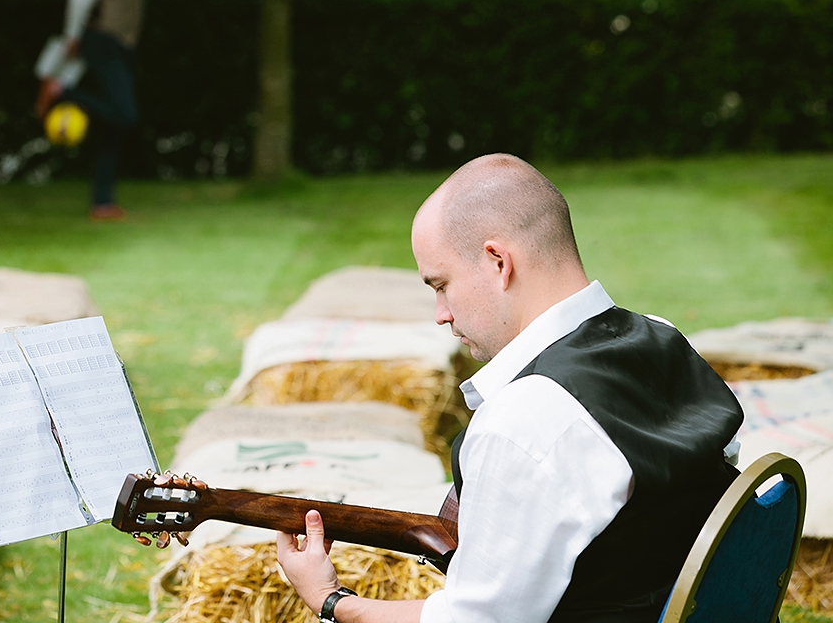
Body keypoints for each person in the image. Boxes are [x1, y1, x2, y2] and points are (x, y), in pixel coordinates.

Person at [276, 153, 744, 623]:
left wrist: (331, 600)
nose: (440, 312)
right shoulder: (661, 336)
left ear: (498, 262)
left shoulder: (522, 420)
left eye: (441, 284)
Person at [37, 0, 166, 221]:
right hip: (102, 40)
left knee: (115, 127)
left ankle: (102, 201)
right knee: (125, 114)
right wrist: (72, 36)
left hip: (121, 46)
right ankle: (65, 93)